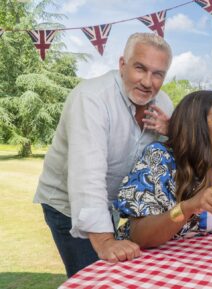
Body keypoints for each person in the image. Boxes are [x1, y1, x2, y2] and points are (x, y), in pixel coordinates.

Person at [33, 33, 174, 277]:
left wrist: (171, 132)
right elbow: (87, 175)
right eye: (140, 68)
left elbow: (175, 159)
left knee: (124, 277)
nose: (148, 82)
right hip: (66, 205)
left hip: (112, 204)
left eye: (158, 74)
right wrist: (106, 242)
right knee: (95, 278)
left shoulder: (163, 103)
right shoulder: (91, 98)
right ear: (122, 64)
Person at [114, 90, 212, 248]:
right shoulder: (160, 159)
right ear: (195, 127)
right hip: (152, 265)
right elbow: (140, 237)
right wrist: (188, 207)